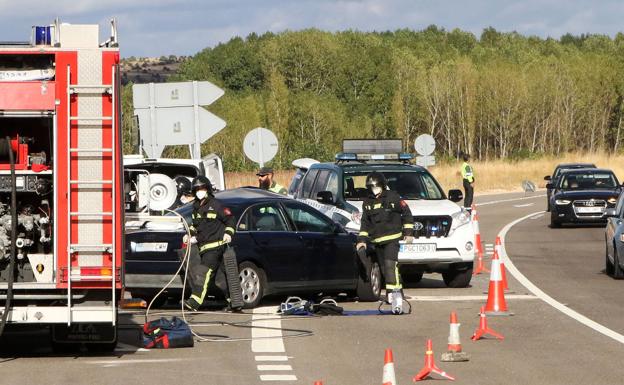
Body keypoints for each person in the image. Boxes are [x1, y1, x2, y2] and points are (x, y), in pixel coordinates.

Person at [355, 172, 414, 314]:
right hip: (377, 241)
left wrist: (408, 233)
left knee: (390, 266)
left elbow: (406, 213)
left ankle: (397, 297)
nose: (374, 190)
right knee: (385, 269)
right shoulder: (367, 203)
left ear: (382, 186)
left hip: (392, 239)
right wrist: (362, 240)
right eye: (371, 187)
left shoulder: (393, 197)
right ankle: (391, 292)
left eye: (376, 187)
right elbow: (365, 223)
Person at [183, 176, 237, 311]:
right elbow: (196, 226)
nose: (199, 191)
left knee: (203, 272)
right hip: (203, 247)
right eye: (197, 189)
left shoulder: (216, 204)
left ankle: (195, 301)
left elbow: (230, 220)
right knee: (220, 278)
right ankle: (235, 301)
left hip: (216, 246)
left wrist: (228, 233)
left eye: (202, 188)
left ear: (207, 189)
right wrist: (189, 235)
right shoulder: (195, 207)